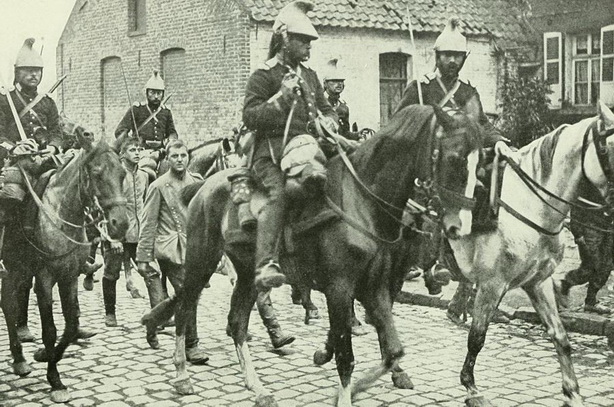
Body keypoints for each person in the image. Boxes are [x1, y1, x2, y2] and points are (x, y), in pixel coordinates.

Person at [394, 18, 513, 324]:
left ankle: (471, 294)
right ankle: (421, 265)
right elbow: (400, 124)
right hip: (427, 164)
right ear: (437, 56)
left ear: (464, 59)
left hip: (459, 168)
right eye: (446, 55)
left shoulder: (468, 93)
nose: (452, 60)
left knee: (486, 207)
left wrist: (499, 141)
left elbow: (482, 125)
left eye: (457, 56)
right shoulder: (420, 88)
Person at [0, 38, 95, 342]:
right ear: (17, 72)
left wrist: (53, 147)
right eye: (28, 70)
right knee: (12, 194)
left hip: (45, 160)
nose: (34, 75)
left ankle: (84, 249)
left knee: (76, 189)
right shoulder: (5, 100)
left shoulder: (47, 102)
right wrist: (14, 147)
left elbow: (56, 131)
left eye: (38, 71)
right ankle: (8, 246)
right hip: (17, 162)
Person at [242, 0, 338, 291]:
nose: (309, 47)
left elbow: (326, 108)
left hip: (310, 148)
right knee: (279, 193)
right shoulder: (264, 74)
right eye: (303, 41)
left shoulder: (309, 75)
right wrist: (281, 98)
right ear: (285, 40)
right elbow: (250, 116)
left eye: (310, 42)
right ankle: (266, 263)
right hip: (270, 153)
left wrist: (330, 121)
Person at [135, 139, 208, 363]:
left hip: (191, 247)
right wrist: (144, 257)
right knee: (188, 294)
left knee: (186, 295)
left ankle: (154, 320)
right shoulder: (158, 186)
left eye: (183, 155)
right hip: (168, 249)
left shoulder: (197, 182)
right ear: (167, 159)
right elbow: (148, 223)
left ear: (188, 157)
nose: (179, 160)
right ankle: (191, 345)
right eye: (174, 156)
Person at [100, 138, 148, 327]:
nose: (137, 153)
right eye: (132, 150)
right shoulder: (115, 175)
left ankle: (159, 312)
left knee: (150, 271)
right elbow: (106, 208)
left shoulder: (144, 176)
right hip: (117, 232)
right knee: (111, 273)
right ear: (122, 154)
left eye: (139, 149)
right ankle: (110, 313)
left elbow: (144, 202)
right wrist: (112, 237)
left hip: (138, 232)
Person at [555, 185, 614, 315]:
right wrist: (578, 235)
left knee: (606, 266)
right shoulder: (589, 181)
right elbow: (576, 208)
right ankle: (564, 285)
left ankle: (590, 302)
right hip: (589, 228)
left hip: (608, 228)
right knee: (591, 266)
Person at [114, 70, 178, 180]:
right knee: (143, 173)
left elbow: (172, 132)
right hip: (141, 152)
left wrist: (171, 142)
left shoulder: (166, 112)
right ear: (147, 93)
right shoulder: (137, 109)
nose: (156, 97)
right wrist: (133, 145)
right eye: (152, 93)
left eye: (159, 93)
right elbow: (120, 131)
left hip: (160, 153)